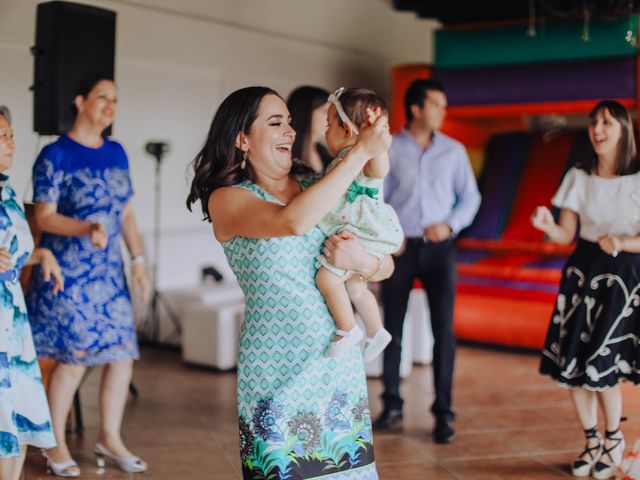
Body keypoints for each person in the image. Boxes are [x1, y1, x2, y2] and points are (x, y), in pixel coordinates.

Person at [187, 86, 392, 479]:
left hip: (337, 367)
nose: (291, 132)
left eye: (291, 123)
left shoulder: (319, 183)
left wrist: (363, 260)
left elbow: (385, 265)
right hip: (276, 372)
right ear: (241, 138)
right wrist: (358, 155)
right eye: (276, 123)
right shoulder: (226, 199)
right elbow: (292, 221)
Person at [26, 76, 151, 476]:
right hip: (66, 273)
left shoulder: (117, 152)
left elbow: (126, 214)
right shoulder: (55, 154)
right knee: (73, 360)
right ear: (80, 101)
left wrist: (138, 260)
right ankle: (55, 443)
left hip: (109, 274)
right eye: (102, 97)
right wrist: (85, 227)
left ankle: (109, 437)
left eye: (116, 99)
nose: (110, 105)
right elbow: (43, 216)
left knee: (122, 355)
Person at [532, 99, 640, 479]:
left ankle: (613, 440)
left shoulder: (638, 178)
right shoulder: (579, 174)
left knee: (603, 365)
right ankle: (592, 440)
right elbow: (565, 234)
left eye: (607, 122)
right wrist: (547, 224)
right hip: (583, 271)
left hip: (625, 277)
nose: (598, 129)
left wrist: (623, 243)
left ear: (623, 129)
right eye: (594, 122)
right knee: (574, 364)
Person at [374, 79, 481, 444]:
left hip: (439, 250)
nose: (443, 111)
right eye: (437, 104)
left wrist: (450, 224)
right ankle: (391, 405)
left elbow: (471, 198)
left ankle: (444, 414)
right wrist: (389, 235)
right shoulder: (389, 148)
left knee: (443, 331)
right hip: (399, 250)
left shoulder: (454, 151)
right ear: (416, 108)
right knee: (392, 326)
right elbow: (379, 198)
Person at [316, 87, 402, 360]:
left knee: (326, 277)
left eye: (329, 125)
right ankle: (376, 331)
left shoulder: (361, 157)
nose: (325, 132)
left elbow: (379, 170)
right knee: (355, 287)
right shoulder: (340, 161)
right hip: (359, 234)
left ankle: (347, 328)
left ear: (347, 129)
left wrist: (375, 143)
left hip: (363, 233)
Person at [0, 106, 62, 480]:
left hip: (13, 322)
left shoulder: (6, 190)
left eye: (10, 135)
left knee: (17, 413)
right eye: (2, 136)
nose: (11, 143)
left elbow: (11, 253)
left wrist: (41, 254)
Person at [287, 85, 333, 172]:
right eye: (325, 111)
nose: (331, 118)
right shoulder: (283, 157)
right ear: (305, 113)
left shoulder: (330, 159)